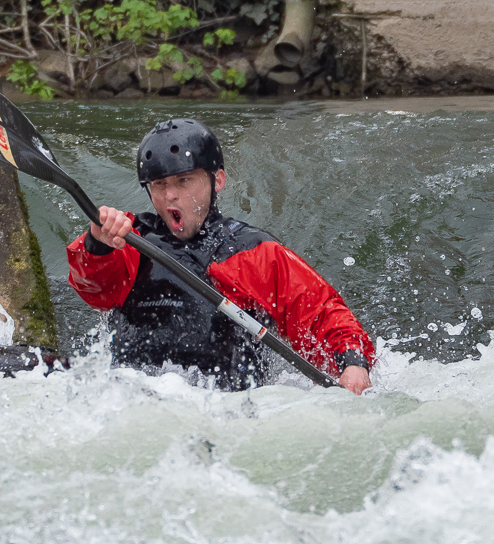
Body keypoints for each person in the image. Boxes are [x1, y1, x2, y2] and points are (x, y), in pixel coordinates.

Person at [66, 117, 374, 393]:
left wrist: (352, 362)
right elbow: (94, 289)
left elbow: (321, 311)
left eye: (183, 181)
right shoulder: (129, 239)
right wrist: (98, 243)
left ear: (218, 181)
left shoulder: (253, 252)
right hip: (132, 400)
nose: (170, 195)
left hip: (228, 408)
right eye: (160, 185)